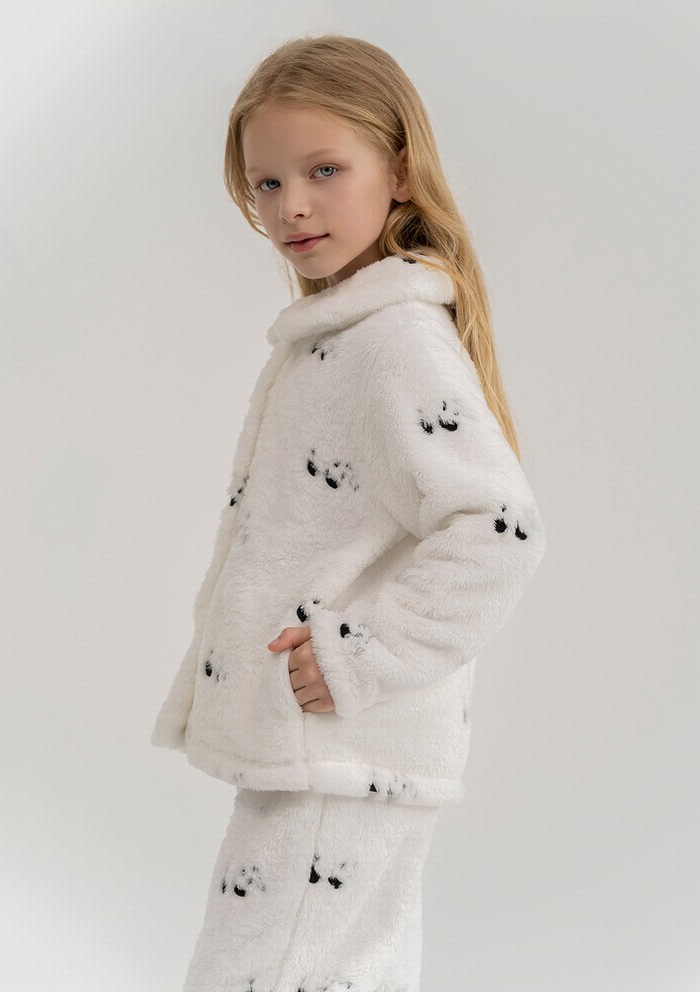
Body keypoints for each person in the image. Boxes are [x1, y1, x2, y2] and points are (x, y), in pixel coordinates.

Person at [150, 33, 547, 992]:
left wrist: (358, 653)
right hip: (331, 756)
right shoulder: (346, 334)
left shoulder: (392, 343)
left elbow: (499, 528)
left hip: (335, 753)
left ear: (400, 171)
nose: (291, 205)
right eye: (267, 183)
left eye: (324, 170)